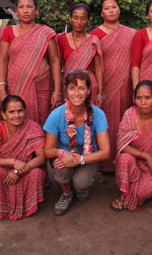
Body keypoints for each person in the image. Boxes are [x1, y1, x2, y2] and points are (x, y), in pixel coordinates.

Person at [43, 70, 110, 216]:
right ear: (66, 91)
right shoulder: (56, 115)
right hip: (64, 157)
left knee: (80, 182)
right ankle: (67, 193)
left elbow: (105, 152)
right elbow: (47, 150)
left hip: (87, 157)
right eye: (72, 88)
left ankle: (79, 189)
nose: (76, 93)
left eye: (81, 88)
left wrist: (79, 159)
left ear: (88, 90)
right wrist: (60, 153)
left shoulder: (98, 114)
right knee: (61, 168)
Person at [111, 80, 152, 212]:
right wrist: (146, 156)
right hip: (134, 162)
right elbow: (122, 146)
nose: (143, 102)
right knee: (123, 159)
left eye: (148, 98)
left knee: (147, 189)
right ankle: (124, 194)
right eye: (139, 98)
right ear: (134, 99)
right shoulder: (130, 115)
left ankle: (133, 192)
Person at [0, 0, 62, 126]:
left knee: (42, 124)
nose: (25, 10)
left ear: (37, 10)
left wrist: (57, 90)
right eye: (21, 7)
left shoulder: (46, 33)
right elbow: (3, 60)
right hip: (15, 88)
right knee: (15, 122)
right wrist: (1, 88)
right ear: (16, 11)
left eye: (29, 7)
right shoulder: (9, 31)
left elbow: (55, 61)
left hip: (41, 88)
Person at [91, 0, 136, 172]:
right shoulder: (95, 34)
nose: (111, 10)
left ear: (119, 9)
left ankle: (123, 160)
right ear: (101, 12)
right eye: (106, 8)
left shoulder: (132, 33)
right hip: (105, 85)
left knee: (125, 121)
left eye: (114, 7)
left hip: (125, 84)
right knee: (104, 121)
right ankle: (104, 162)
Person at [0, 95, 46, 221]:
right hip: (4, 170)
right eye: (11, 112)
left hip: (26, 170)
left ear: (25, 111)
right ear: (3, 114)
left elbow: (41, 158)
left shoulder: (32, 127)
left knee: (37, 173)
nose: (17, 115)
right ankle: (4, 207)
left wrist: (18, 170)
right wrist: (12, 162)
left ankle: (27, 206)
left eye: (20, 111)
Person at [56, 3, 104, 106]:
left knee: (89, 118)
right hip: (68, 85)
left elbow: (98, 68)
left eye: (83, 18)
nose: (79, 22)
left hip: (88, 86)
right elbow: (57, 66)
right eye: (75, 18)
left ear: (88, 21)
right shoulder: (61, 39)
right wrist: (58, 91)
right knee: (69, 118)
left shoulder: (93, 40)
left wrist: (100, 93)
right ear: (70, 19)